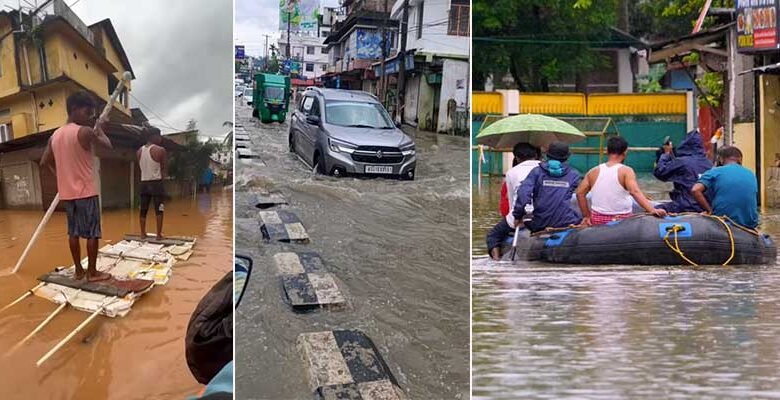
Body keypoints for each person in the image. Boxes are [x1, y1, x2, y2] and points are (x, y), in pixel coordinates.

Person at [40, 91, 112, 282]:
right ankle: (93, 273)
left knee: (73, 233)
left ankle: (79, 271)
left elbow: (44, 161)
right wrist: (100, 129)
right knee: (92, 233)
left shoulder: (55, 136)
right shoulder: (85, 132)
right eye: (88, 112)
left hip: (68, 194)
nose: (90, 117)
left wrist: (60, 178)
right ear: (74, 109)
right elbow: (107, 145)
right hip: (86, 192)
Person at [577, 136, 667, 225]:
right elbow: (634, 192)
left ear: (607, 151)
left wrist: (587, 216)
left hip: (597, 219)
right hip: (621, 220)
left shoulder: (593, 171)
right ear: (625, 152)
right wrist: (652, 210)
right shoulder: (626, 171)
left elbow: (579, 193)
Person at [486, 143, 540, 259]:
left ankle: (496, 262)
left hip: (521, 213)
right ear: (536, 155)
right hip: (544, 213)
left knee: (493, 235)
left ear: (516, 157)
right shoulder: (544, 168)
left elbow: (511, 200)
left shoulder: (512, 172)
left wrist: (516, 217)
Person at [513, 141, 581, 233]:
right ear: (567, 157)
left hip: (540, 223)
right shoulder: (574, 175)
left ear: (547, 155)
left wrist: (518, 215)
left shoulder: (536, 172)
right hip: (566, 222)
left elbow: (523, 194)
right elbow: (581, 195)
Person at [692, 146, 759, 228]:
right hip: (750, 223)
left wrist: (709, 211)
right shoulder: (751, 174)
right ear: (740, 159)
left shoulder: (715, 172)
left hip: (723, 221)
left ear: (720, 159)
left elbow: (695, 190)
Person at [653, 130, 713, 213]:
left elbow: (660, 172)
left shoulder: (682, 162)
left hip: (685, 206)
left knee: (652, 209)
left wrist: (666, 154)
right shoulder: (709, 163)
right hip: (705, 206)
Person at [137, 126, 168, 240]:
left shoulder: (139, 151)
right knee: (159, 209)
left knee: (143, 209)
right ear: (153, 136)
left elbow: (142, 168)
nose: (160, 138)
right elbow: (164, 169)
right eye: (159, 135)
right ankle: (159, 235)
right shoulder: (160, 150)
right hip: (156, 183)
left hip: (144, 183)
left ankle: (142, 234)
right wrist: (163, 184)